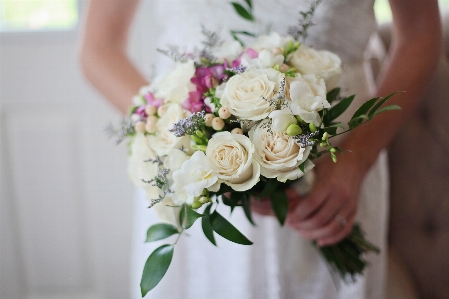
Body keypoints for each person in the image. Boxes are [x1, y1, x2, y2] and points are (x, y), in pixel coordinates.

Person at [80, 0, 442, 298]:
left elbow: (420, 33)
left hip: (340, 161)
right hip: (196, 171)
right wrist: (188, 142)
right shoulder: (193, 151)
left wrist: (356, 160)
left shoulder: (350, 163)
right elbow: (100, 48)